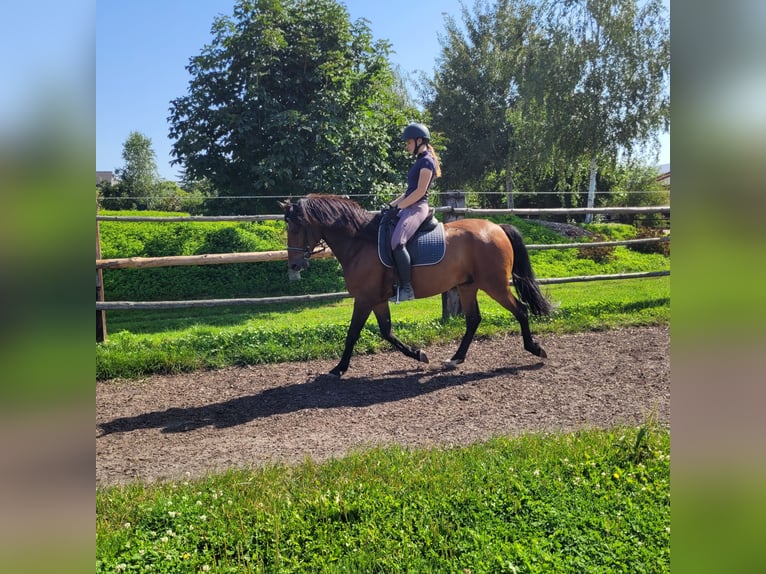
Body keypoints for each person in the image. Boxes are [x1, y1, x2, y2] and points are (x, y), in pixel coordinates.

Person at [387, 122, 442, 303]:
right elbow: (408, 192)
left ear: (420, 141)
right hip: (409, 204)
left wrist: (400, 207)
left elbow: (419, 192)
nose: (407, 146)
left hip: (418, 207)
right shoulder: (419, 161)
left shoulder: (427, 161)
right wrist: (390, 205)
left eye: (408, 142)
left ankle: (407, 289)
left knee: (397, 242)